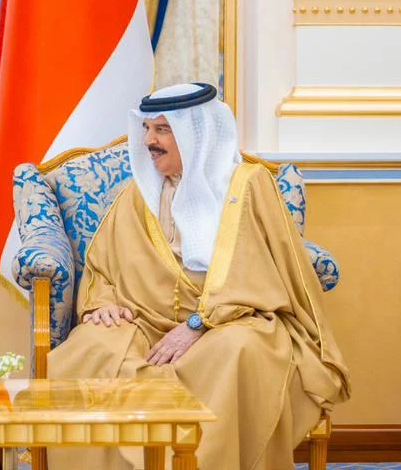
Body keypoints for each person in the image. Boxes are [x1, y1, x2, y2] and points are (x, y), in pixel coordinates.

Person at [48, 82, 350, 470]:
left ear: (197, 134)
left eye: (162, 130)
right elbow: (103, 264)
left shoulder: (250, 185)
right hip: (144, 319)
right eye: (147, 129)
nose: (149, 141)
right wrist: (102, 303)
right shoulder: (138, 193)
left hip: (233, 318)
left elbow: (264, 272)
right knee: (90, 348)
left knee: (238, 352)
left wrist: (199, 324)